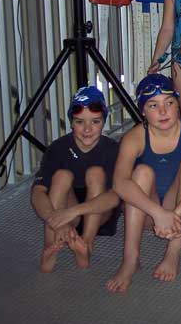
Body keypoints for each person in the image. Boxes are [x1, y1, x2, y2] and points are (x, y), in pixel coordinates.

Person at [106, 74, 181, 293]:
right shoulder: (134, 138)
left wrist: (173, 215)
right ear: (142, 111)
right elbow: (119, 183)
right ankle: (130, 259)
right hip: (147, 212)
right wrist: (158, 214)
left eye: (169, 103)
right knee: (142, 172)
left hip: (177, 212)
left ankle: (173, 253)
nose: (163, 111)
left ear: (178, 104)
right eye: (153, 105)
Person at [31, 86, 120, 272]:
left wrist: (73, 212)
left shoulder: (112, 149)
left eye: (95, 121)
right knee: (62, 176)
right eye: (80, 122)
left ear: (104, 122)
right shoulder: (58, 148)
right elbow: (38, 192)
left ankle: (86, 245)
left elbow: (115, 197)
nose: (87, 129)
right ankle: (50, 246)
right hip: (64, 210)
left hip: (98, 212)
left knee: (96, 173)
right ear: (71, 123)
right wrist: (54, 218)